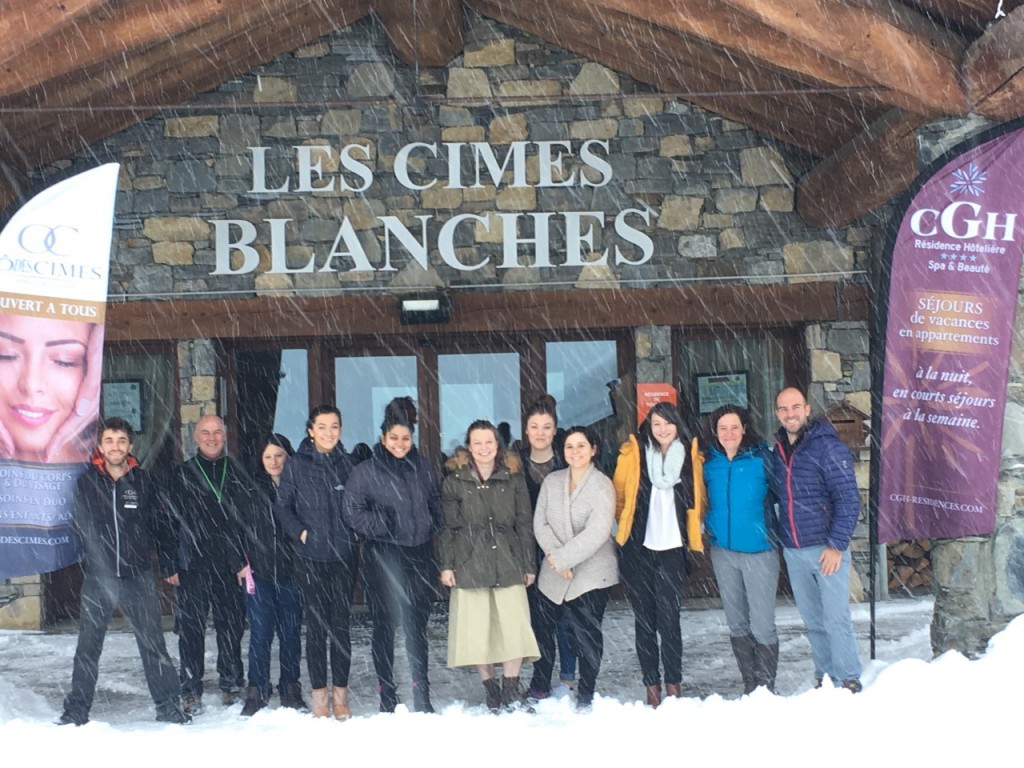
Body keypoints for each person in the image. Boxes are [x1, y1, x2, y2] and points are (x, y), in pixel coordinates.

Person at [58, 417, 190, 726]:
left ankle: (168, 705)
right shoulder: (87, 481)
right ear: (100, 447)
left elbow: (161, 527)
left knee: (153, 644)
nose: (115, 446)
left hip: (138, 575)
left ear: (130, 445)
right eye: (109, 441)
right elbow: (80, 525)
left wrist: (166, 562)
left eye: (121, 441)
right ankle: (77, 708)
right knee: (88, 646)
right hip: (99, 578)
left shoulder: (142, 481)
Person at [343, 397, 442, 713]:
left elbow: (435, 501)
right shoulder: (366, 471)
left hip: (419, 554)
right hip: (383, 555)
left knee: (416, 626)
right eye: (393, 438)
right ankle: (387, 692)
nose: (400, 443)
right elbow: (352, 512)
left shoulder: (423, 466)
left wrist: (433, 521)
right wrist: (383, 523)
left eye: (405, 438)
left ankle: (421, 692)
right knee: (384, 626)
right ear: (383, 439)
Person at [440, 420, 539, 713]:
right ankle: (491, 689)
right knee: (476, 629)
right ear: (469, 447)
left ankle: (511, 687)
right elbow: (449, 527)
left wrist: (528, 563)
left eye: (489, 442)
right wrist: (447, 565)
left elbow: (524, 523)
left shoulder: (513, 478)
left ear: (498, 445)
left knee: (514, 626)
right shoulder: (454, 481)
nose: (484, 448)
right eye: (477, 443)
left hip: (508, 560)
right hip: (469, 561)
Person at [772, 386, 863, 692]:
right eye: (783, 409)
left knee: (836, 618)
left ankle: (848, 676)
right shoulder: (779, 450)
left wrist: (837, 545)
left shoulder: (827, 447)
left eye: (795, 407)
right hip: (795, 550)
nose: (790, 414)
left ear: (807, 409)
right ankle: (824, 674)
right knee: (813, 620)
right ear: (777, 414)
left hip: (826, 549)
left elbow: (849, 499)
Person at [163, 414, 253, 716]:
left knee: (231, 628)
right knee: (190, 631)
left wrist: (246, 560)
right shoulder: (182, 474)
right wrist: (169, 564)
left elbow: (248, 521)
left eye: (217, 432)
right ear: (195, 436)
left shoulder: (238, 471)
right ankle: (190, 689)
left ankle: (230, 684)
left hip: (230, 564)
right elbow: (167, 523)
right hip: (192, 565)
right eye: (205, 432)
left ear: (224, 436)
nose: (212, 437)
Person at [274, 404, 358, 719]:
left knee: (340, 627)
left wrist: (355, 534)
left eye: (334, 426)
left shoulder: (349, 465)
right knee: (317, 628)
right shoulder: (296, 465)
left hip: (343, 557)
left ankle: (341, 696)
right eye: (322, 426)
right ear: (311, 431)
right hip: (309, 558)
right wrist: (301, 533)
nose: (328, 432)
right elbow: (282, 507)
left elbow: (360, 504)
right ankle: (320, 698)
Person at [612, 401, 696, 708]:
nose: (662, 429)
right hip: (639, 550)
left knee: (670, 621)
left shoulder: (689, 458)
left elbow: (698, 500)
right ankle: (651, 686)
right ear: (648, 426)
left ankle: (674, 683)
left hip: (673, 550)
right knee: (644, 622)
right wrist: (618, 535)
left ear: (678, 425)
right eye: (656, 423)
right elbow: (618, 498)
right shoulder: (633, 457)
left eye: (668, 423)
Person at [533, 425, 618, 711]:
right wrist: (557, 558)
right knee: (544, 630)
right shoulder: (552, 481)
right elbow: (539, 522)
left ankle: (586, 691)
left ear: (593, 449)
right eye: (570, 446)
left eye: (582, 445)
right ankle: (542, 683)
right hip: (554, 568)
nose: (575, 451)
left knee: (587, 634)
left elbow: (598, 532)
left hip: (592, 570)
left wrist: (566, 558)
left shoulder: (602, 484)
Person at [702, 404, 780, 694]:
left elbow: (783, 496)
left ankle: (766, 687)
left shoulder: (763, 459)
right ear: (716, 431)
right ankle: (750, 684)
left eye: (735, 427)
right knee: (737, 624)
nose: (729, 433)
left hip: (760, 552)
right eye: (723, 428)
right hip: (723, 553)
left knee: (762, 625)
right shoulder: (709, 463)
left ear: (745, 428)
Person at [510, 395, 577, 700]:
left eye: (546, 427)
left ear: (555, 430)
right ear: (526, 430)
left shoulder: (567, 461)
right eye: (534, 426)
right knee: (538, 618)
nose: (540, 432)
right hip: (528, 548)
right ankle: (540, 679)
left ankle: (568, 678)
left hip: (563, 547)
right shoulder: (515, 464)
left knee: (566, 616)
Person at [238, 433, 305, 716]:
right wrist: (238, 562)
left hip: (293, 573)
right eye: (268, 456)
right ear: (261, 460)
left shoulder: (300, 488)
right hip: (260, 573)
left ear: (288, 458)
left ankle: (290, 687)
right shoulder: (250, 489)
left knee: (290, 634)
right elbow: (236, 528)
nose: (274, 461)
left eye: (279, 455)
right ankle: (257, 690)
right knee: (261, 634)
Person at [0, 314, 102, 464]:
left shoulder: (101, 477)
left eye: (64, 361)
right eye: (5, 356)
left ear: (90, 369)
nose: (31, 385)